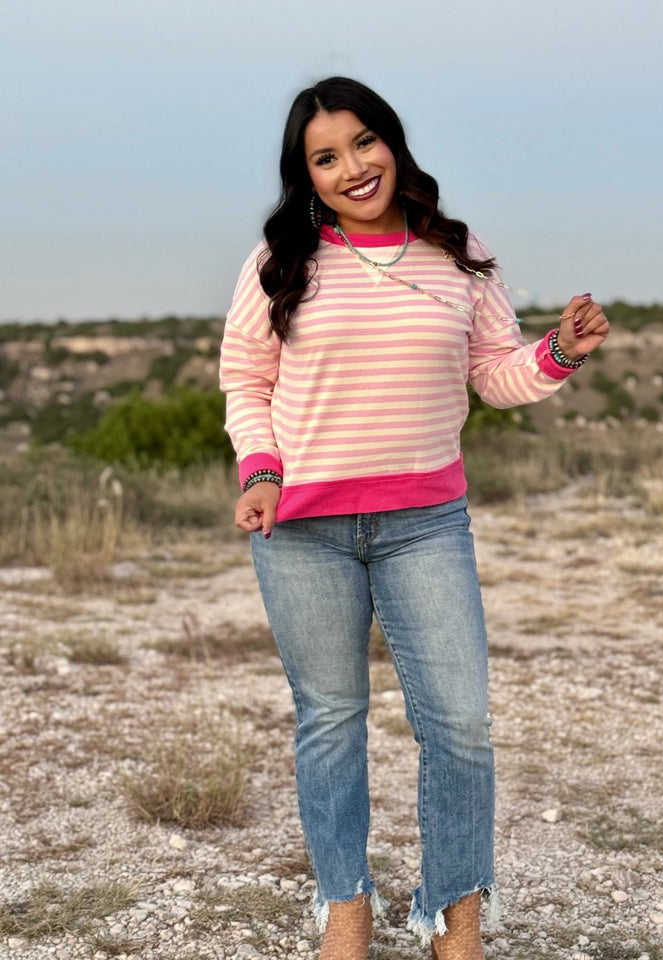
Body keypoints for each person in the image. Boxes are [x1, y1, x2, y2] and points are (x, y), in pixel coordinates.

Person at [219, 76, 609, 960]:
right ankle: (346, 910)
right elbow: (246, 382)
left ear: (391, 142)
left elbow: (498, 376)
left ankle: (453, 922)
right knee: (330, 718)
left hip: (426, 523)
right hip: (304, 530)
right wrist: (262, 472)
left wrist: (557, 352)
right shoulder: (278, 260)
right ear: (305, 174)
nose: (352, 167)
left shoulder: (458, 251)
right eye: (326, 157)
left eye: (364, 143)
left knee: (460, 723)